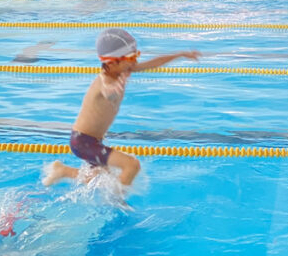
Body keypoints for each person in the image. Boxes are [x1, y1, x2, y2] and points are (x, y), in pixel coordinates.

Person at [43, 28, 200, 187]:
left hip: (92, 141)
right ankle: (118, 203)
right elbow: (107, 90)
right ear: (112, 62)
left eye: (136, 55)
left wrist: (180, 55)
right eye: (131, 57)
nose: (135, 62)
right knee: (131, 165)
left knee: (102, 179)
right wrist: (114, 90)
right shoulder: (105, 80)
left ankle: (62, 171)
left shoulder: (124, 69)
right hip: (83, 141)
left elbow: (153, 63)